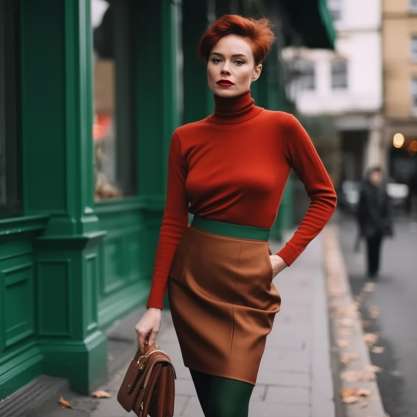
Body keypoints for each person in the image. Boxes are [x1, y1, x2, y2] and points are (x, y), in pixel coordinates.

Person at [135, 15, 337, 417]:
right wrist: (154, 305)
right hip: (193, 284)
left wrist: (281, 259)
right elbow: (174, 222)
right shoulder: (185, 138)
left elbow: (324, 196)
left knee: (229, 408)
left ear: (257, 70)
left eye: (239, 61)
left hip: (247, 286)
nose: (226, 69)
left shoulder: (282, 127)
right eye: (217, 59)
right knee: (216, 410)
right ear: (207, 66)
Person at [356, 165, 394, 280]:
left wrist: (387, 223)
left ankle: (375, 270)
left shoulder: (383, 190)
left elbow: (388, 208)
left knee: (377, 248)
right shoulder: (364, 190)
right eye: (375, 175)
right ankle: (370, 271)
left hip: (380, 225)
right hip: (369, 224)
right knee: (370, 248)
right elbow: (360, 210)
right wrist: (361, 226)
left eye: (378, 175)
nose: (376, 177)